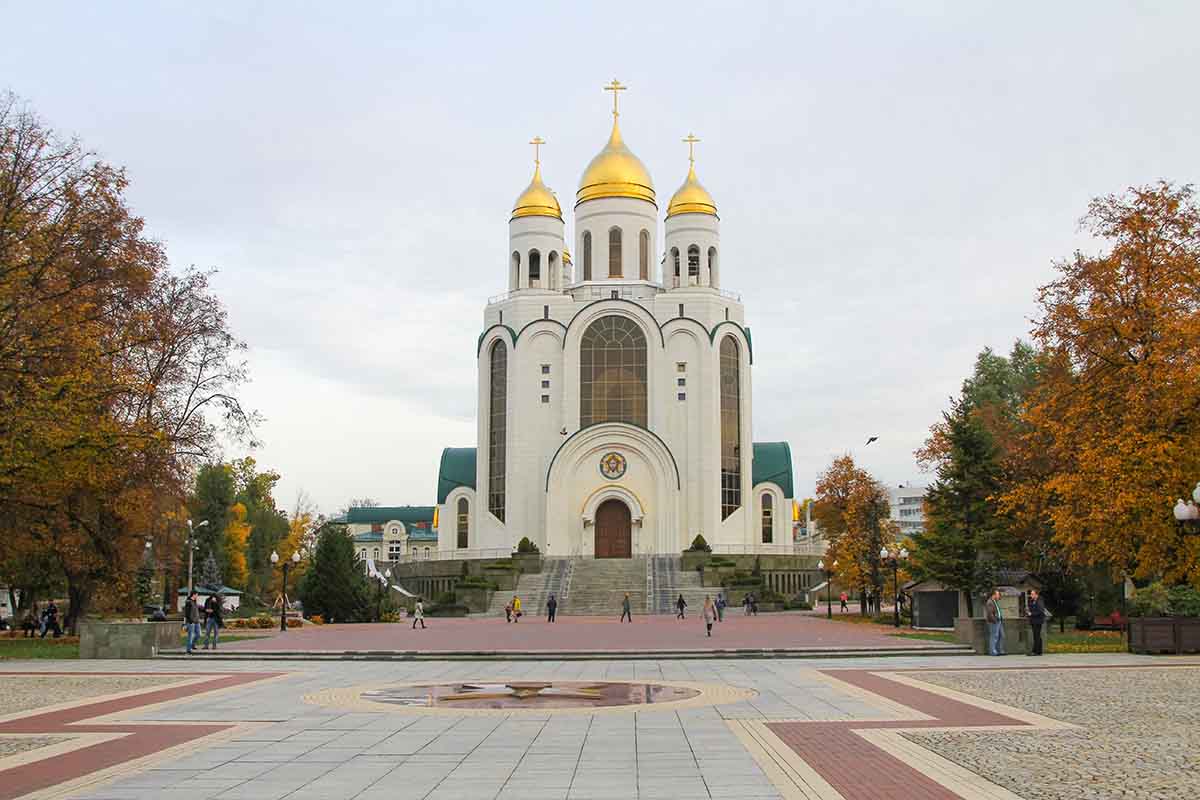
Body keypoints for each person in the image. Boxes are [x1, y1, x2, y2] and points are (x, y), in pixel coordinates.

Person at [985, 589, 1005, 656]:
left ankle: (1000, 650)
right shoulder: (990, 602)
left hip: (999, 621)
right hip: (994, 622)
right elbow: (990, 613)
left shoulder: (995, 601)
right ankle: (993, 652)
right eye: (998, 594)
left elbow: (997, 611)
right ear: (993, 595)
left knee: (1001, 635)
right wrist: (994, 620)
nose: (999, 596)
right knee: (994, 636)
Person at [1027, 589, 1047, 656]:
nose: (1031, 595)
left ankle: (1036, 651)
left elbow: (1040, 611)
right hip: (1034, 621)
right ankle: (1039, 651)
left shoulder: (1039, 601)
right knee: (1036, 636)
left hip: (1038, 621)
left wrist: (1031, 614)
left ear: (1036, 595)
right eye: (1031, 594)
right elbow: (1032, 608)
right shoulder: (1033, 600)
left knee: (1036, 636)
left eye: (1032, 594)